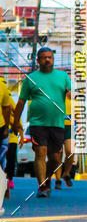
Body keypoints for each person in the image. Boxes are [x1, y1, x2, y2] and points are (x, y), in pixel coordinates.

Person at [12, 48, 71, 198]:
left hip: (57, 123)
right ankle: (42, 186)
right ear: (38, 60)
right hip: (37, 123)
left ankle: (48, 179)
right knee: (40, 152)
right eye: (44, 58)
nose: (47, 60)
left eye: (50, 57)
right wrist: (15, 122)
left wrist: (71, 94)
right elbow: (21, 102)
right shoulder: (30, 79)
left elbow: (71, 92)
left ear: (53, 59)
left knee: (56, 158)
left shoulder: (63, 76)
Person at [55, 94, 74, 190]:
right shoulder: (56, 96)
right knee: (58, 154)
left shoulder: (73, 98)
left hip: (69, 127)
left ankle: (66, 173)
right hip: (57, 126)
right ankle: (58, 180)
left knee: (70, 151)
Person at [5, 95, 23, 194]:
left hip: (12, 137)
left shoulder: (12, 107)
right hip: (3, 135)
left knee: (11, 158)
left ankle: (10, 178)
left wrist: (21, 137)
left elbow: (19, 123)